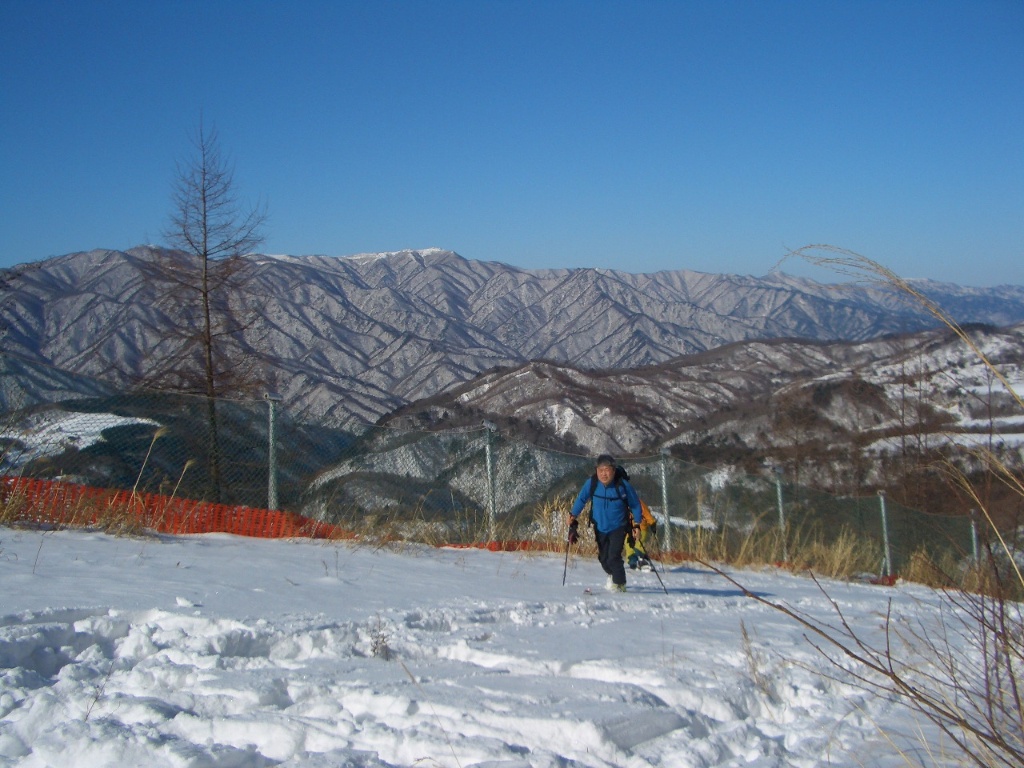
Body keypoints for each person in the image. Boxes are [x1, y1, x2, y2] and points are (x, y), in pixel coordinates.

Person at [567, 454, 643, 592]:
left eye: (606, 470)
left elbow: (636, 505)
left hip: (618, 527)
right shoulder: (592, 483)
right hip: (600, 526)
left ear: (613, 471)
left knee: (613, 557)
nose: (603, 474)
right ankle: (613, 575)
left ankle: (620, 584)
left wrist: (637, 525)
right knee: (603, 559)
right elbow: (581, 499)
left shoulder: (622, 486)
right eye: (600, 470)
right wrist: (573, 515)